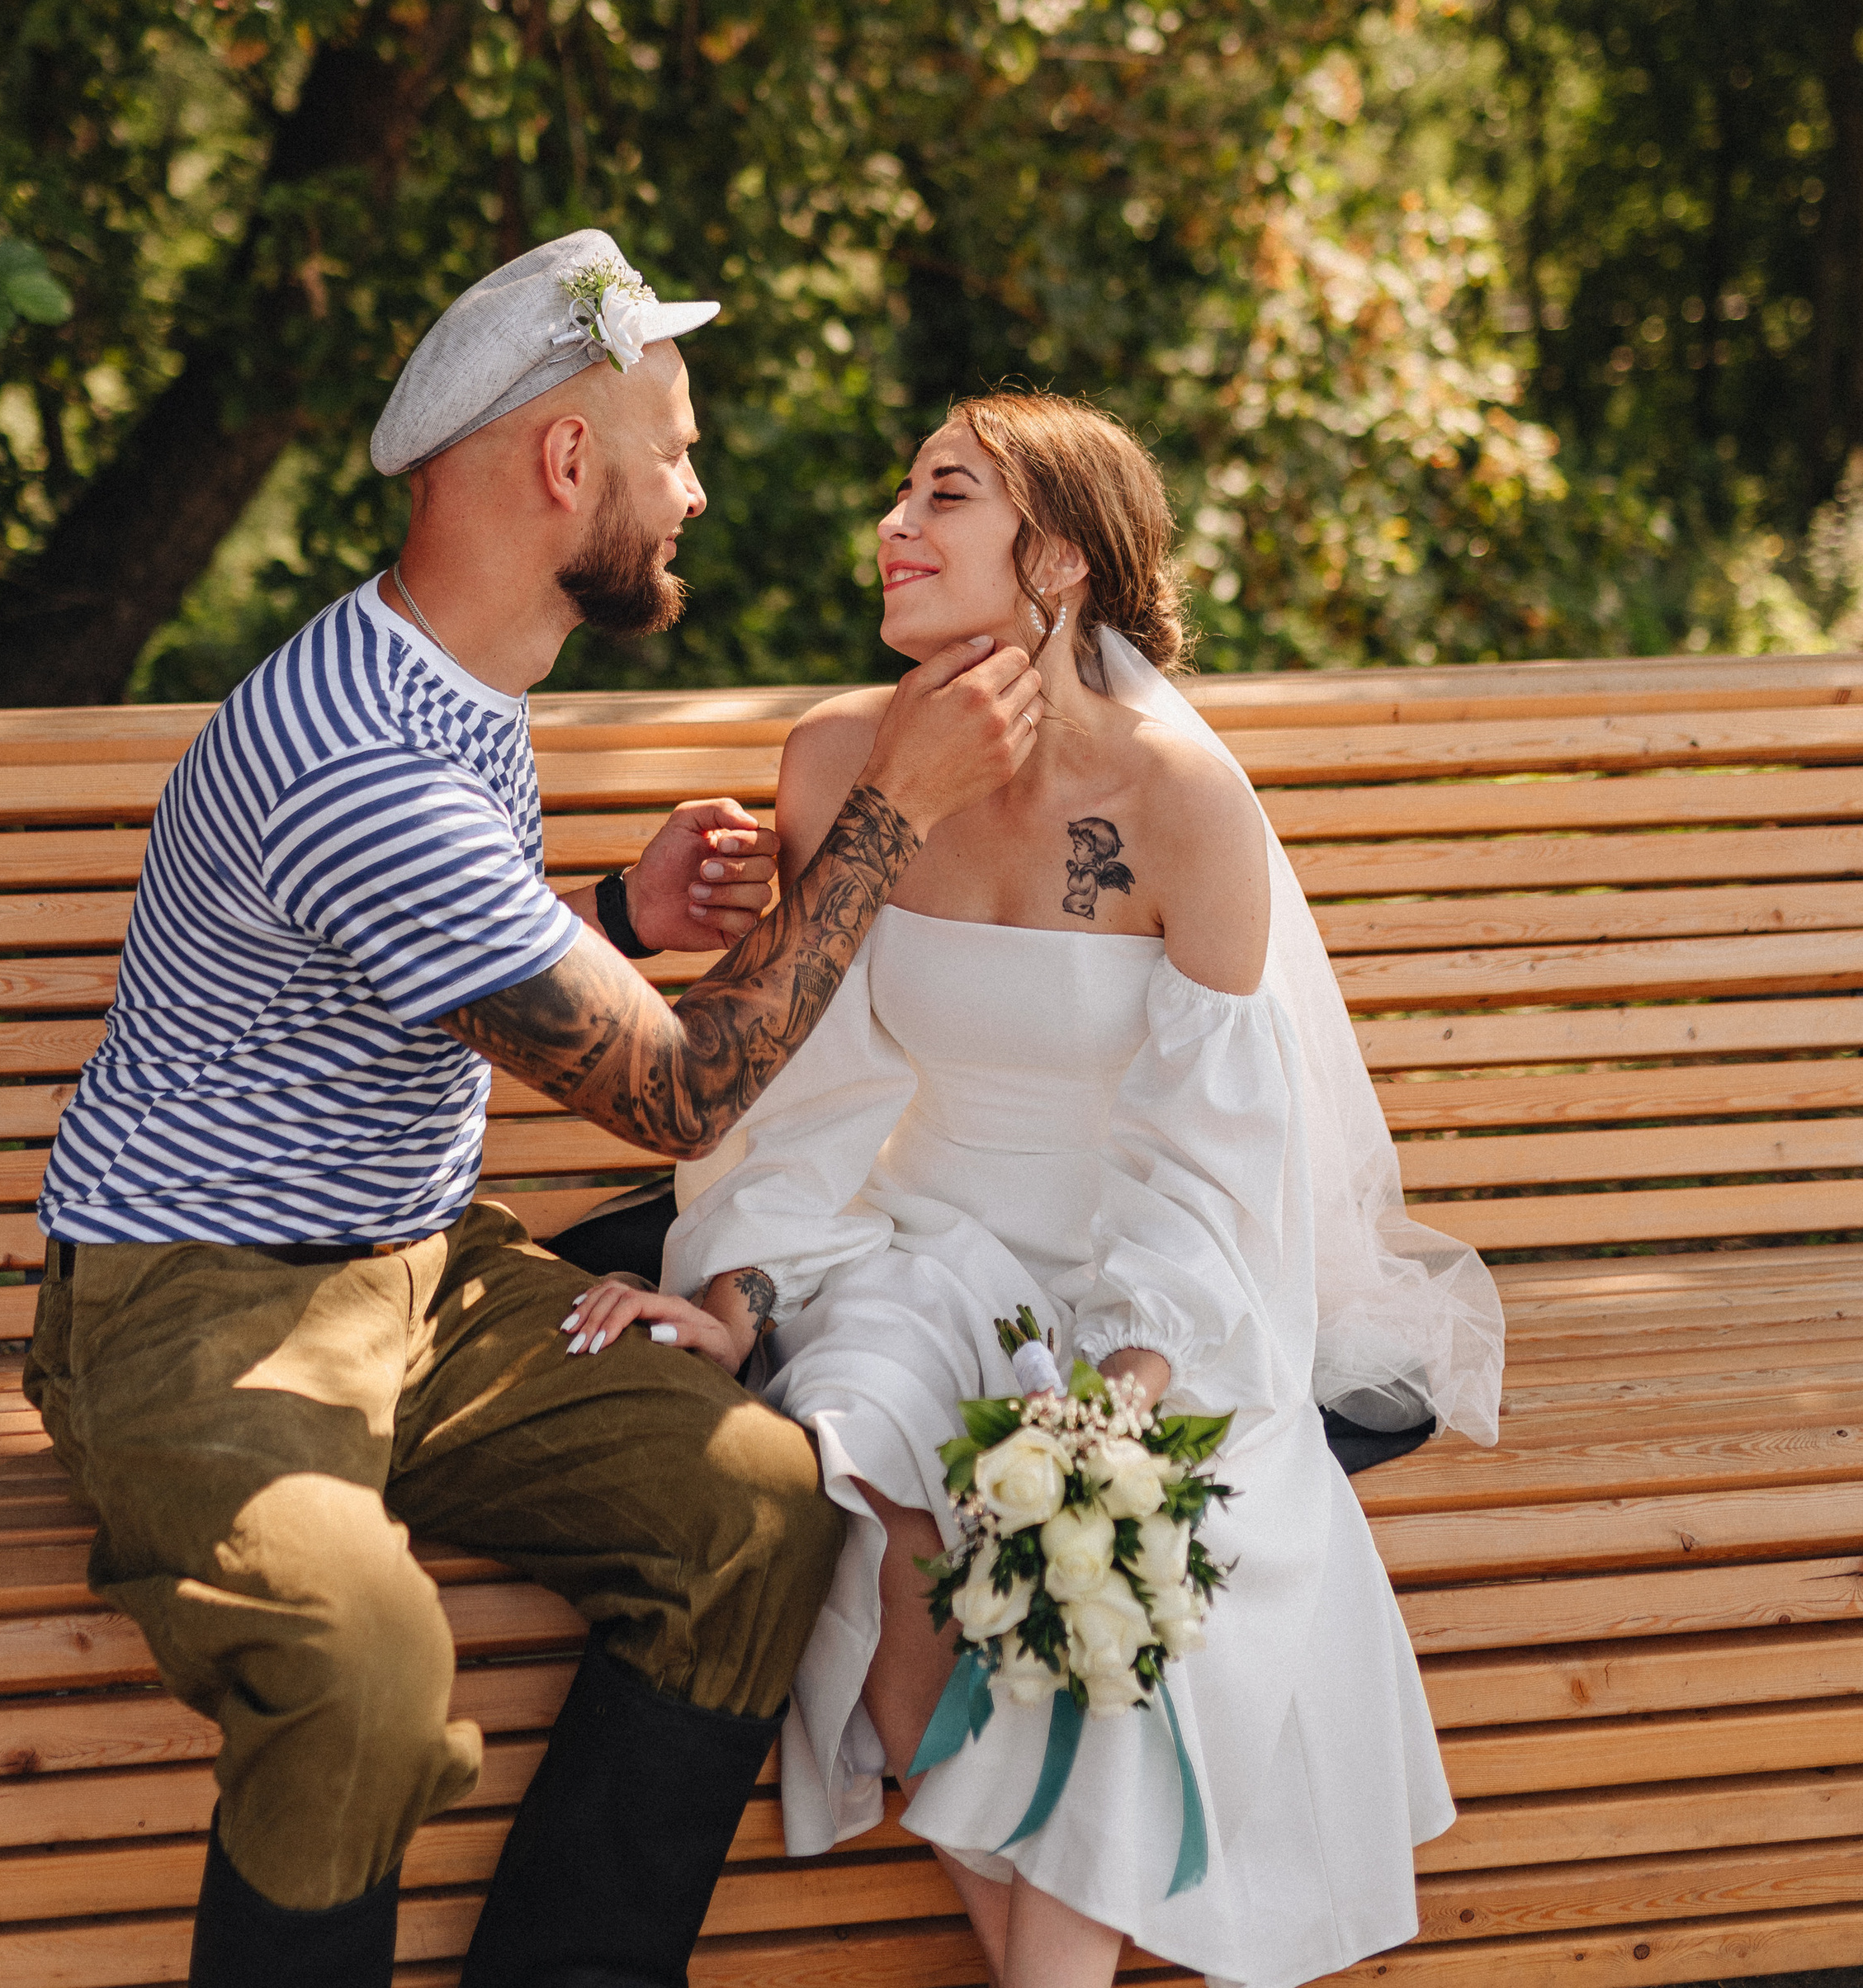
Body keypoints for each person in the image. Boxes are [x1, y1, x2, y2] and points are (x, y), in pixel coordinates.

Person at [22, 232, 1045, 1988]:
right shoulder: (364, 757)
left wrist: (617, 917)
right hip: (199, 1307)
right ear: (570, 463)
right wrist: (892, 802)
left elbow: (394, 968)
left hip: (419, 1275)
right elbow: (676, 1093)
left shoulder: (450, 672)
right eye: (678, 440)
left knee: (752, 1515)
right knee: (360, 1670)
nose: (697, 484)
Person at [561, 390, 1505, 1988]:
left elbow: (1209, 1157)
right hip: (905, 1249)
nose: (894, 524)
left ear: (1056, 557)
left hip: (1139, 1277)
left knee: (1106, 1602)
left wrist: (1121, 1394)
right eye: (901, 492)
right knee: (860, 1468)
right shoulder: (837, 759)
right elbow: (806, 1089)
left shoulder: (1177, 802)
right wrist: (737, 1298)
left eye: (946, 496)